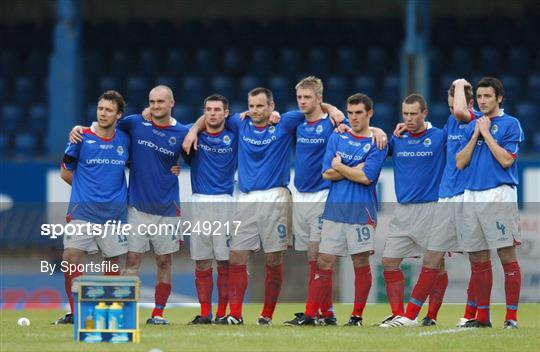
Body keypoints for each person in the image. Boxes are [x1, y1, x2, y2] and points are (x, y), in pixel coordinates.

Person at [184, 87, 343, 325]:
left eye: (260, 106)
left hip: (275, 197)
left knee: (273, 259)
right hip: (245, 198)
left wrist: (334, 110)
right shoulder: (240, 123)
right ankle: (235, 315)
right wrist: (194, 131)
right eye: (252, 105)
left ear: (271, 106)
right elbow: (209, 115)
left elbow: (314, 107)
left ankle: (267, 314)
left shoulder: (286, 121)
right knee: (237, 256)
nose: (255, 110)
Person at [70, 85, 190, 325]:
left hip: (168, 209)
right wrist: (79, 129)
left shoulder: (183, 132)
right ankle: (125, 313)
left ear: (171, 103)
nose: (156, 106)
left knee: (164, 261)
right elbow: (103, 127)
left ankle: (158, 313)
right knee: (132, 260)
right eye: (152, 101)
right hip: (135, 208)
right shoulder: (133, 124)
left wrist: (194, 133)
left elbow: (198, 149)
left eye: (160, 102)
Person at [285, 76, 387, 325]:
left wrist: (341, 166)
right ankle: (312, 315)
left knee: (360, 262)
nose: (354, 117)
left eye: (359, 113)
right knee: (323, 260)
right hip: (334, 210)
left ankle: (357, 316)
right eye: (351, 112)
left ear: (370, 113)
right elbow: (327, 172)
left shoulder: (377, 141)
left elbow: (366, 177)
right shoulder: (337, 137)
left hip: (361, 210)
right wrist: (349, 168)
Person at [53, 90, 129, 324]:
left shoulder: (126, 139)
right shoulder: (81, 137)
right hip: (83, 212)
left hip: (114, 214)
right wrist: (86, 190)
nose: (103, 113)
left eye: (108, 110)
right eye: (100, 109)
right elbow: (65, 171)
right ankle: (77, 314)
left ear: (118, 115)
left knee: (111, 263)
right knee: (70, 257)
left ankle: (108, 311)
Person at [456, 77, 523, 329]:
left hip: (498, 195)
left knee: (506, 256)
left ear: (499, 98)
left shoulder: (510, 124)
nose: (483, 101)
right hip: (471, 195)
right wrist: (476, 134)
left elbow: (506, 160)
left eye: (488, 96)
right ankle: (482, 318)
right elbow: (460, 162)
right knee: (478, 259)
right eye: (480, 97)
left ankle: (512, 318)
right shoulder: (470, 126)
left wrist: (486, 133)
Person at [379, 94, 447, 328]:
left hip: (431, 209)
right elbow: (375, 148)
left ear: (424, 113)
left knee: (436, 264)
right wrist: (379, 133)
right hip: (403, 211)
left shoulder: (439, 137)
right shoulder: (398, 139)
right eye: (405, 114)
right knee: (388, 261)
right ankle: (400, 315)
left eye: (413, 114)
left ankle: (430, 316)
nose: (408, 118)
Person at [185, 94, 237, 324]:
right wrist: (193, 130)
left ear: (226, 113)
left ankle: (222, 313)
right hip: (199, 202)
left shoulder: (235, 136)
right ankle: (205, 313)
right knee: (202, 261)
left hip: (226, 202)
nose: (213, 113)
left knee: (225, 261)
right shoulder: (192, 134)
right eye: (208, 109)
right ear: (203, 112)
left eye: (217, 109)